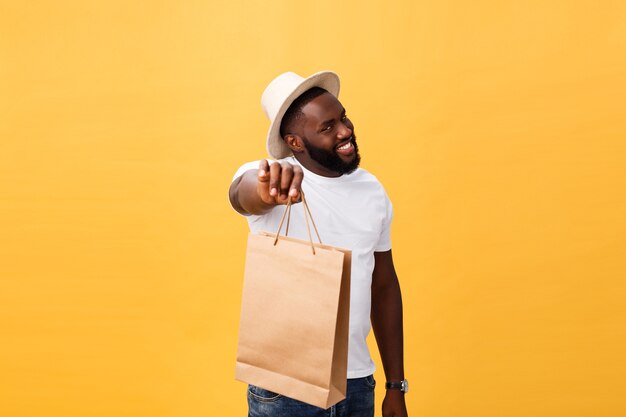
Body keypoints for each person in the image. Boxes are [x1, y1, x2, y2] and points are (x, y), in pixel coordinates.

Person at [229, 71, 409, 417]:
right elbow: (244, 194)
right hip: (284, 390)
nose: (344, 131)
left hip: (358, 384)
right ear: (295, 142)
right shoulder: (271, 173)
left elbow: (384, 286)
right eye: (327, 127)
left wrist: (395, 385)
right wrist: (266, 189)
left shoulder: (372, 191)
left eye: (342, 117)